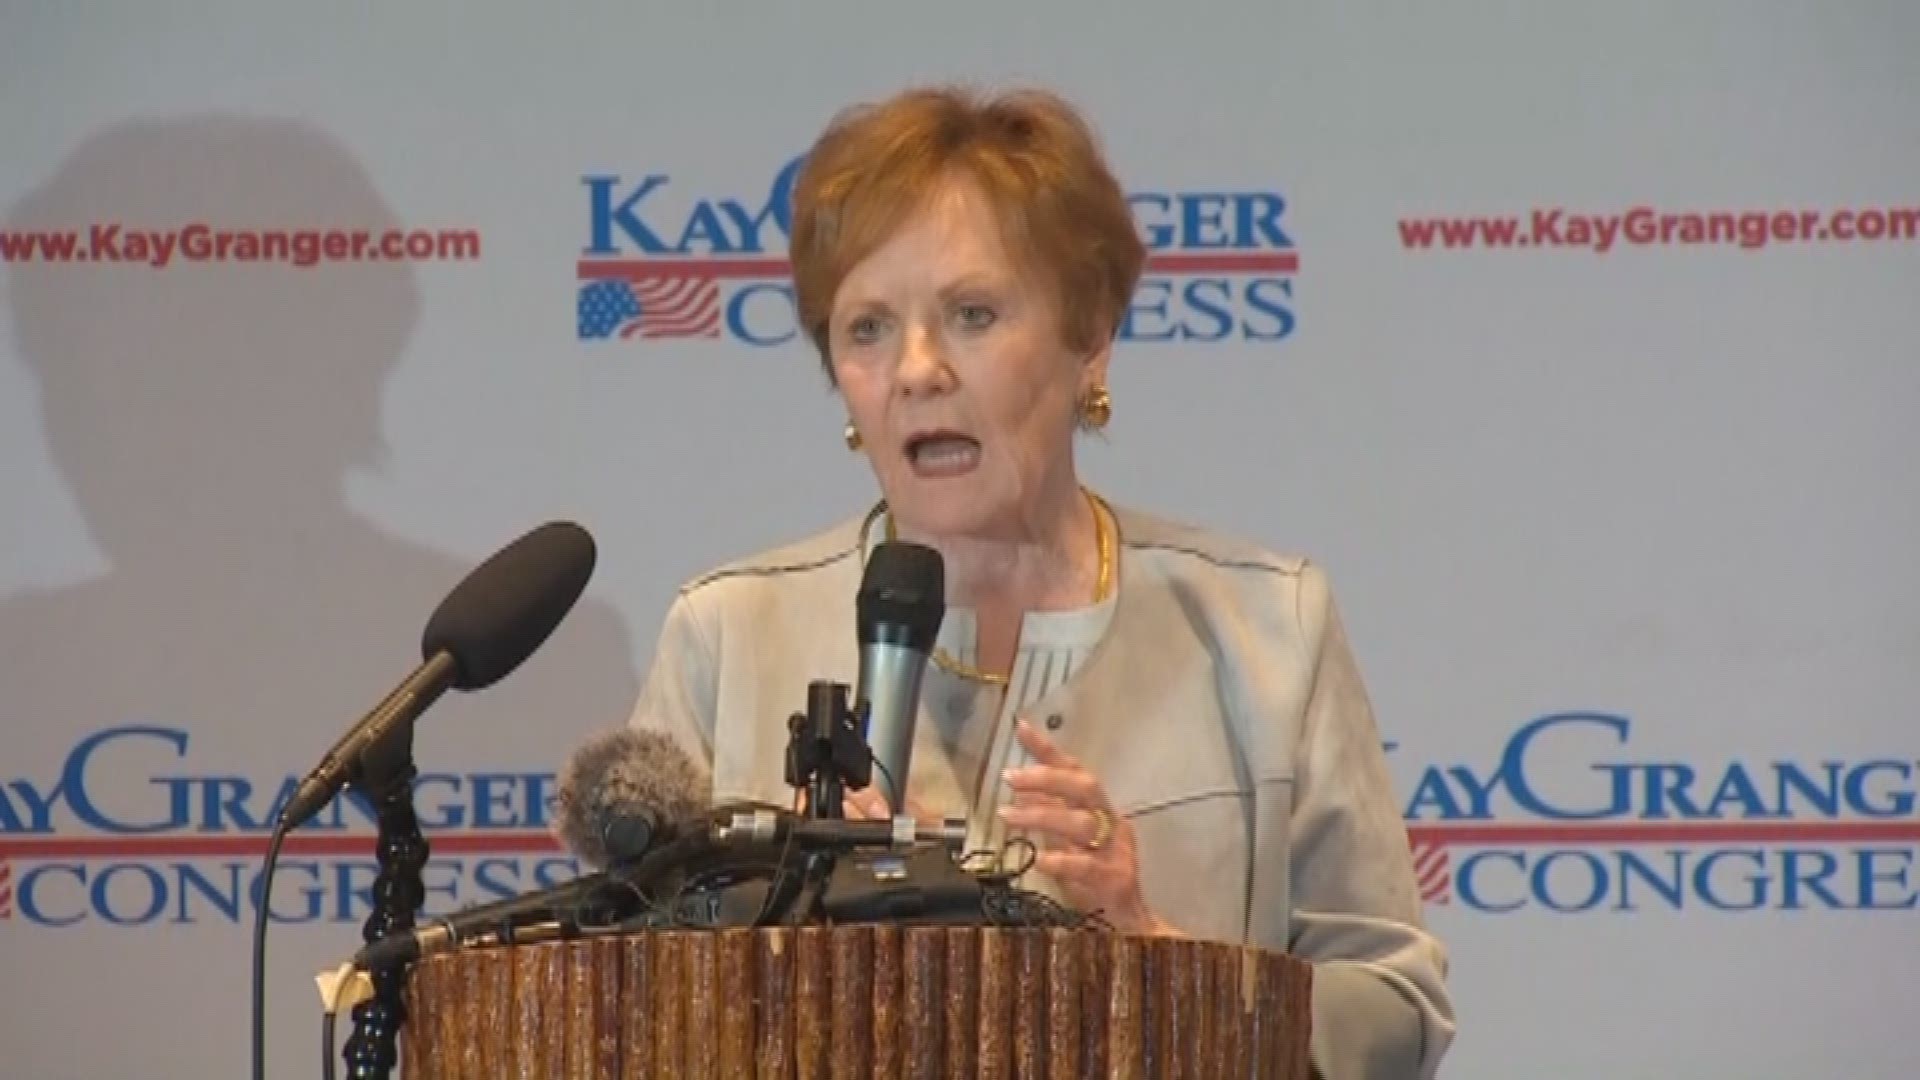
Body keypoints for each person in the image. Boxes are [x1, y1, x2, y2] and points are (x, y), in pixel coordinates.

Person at [629, 84, 1454, 1079]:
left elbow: (1393, 1009)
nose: (916, 371)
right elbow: (626, 1012)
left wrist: (1152, 957)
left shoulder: (1266, 626)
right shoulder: (729, 634)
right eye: (868, 329)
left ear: (1089, 337)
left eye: (972, 315)